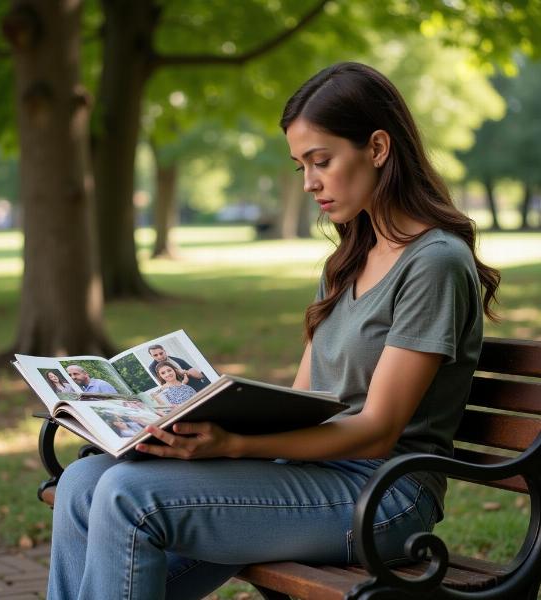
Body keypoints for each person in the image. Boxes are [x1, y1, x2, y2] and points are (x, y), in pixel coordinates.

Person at [47, 62, 500, 600]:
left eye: (321, 161)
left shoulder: (434, 263)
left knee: (127, 496)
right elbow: (306, 400)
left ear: (377, 148)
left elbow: (379, 430)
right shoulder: (346, 263)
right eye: (300, 166)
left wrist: (235, 444)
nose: (310, 183)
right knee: (82, 483)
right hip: (314, 474)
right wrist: (189, 417)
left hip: (383, 496)